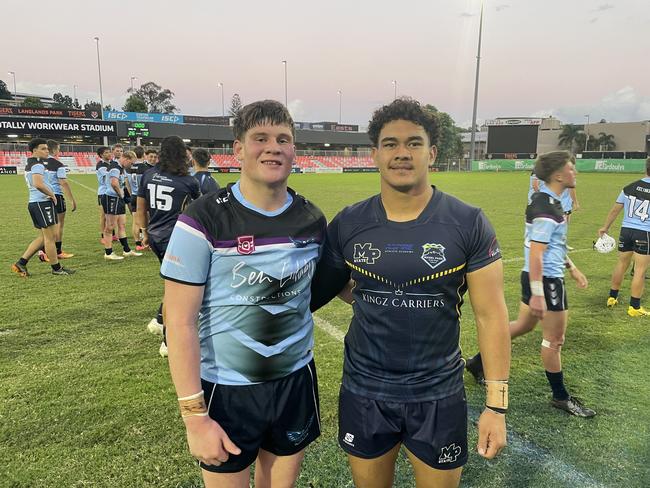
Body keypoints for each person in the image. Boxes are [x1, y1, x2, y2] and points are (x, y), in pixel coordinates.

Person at [310, 98, 510, 488]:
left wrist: (496, 406)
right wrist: (372, 296)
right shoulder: (349, 222)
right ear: (375, 154)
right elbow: (320, 288)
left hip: (438, 393)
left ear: (431, 153)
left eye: (414, 143)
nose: (402, 153)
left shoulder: (468, 221)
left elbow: (491, 315)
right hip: (365, 389)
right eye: (391, 144)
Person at [160, 100, 325, 488]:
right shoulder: (202, 218)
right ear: (238, 149)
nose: (273, 147)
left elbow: (328, 288)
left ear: (294, 150)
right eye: (260, 138)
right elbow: (179, 321)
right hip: (225, 390)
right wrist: (194, 417)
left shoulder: (312, 218)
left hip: (294, 381)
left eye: (283, 139)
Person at [466, 150, 596, 418]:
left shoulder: (546, 200)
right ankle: (561, 397)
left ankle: (477, 362)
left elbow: (550, 246)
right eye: (571, 168)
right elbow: (537, 253)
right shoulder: (547, 207)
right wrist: (538, 293)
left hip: (540, 277)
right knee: (554, 340)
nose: (575, 172)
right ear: (558, 174)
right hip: (545, 282)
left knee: (524, 326)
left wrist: (572, 268)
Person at [136, 136, 201, 355]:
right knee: (179, 290)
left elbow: (141, 208)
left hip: (155, 235)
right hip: (176, 238)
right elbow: (198, 210)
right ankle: (167, 341)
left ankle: (158, 321)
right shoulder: (187, 181)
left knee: (173, 285)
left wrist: (144, 232)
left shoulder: (148, 174)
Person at [12, 138, 75, 277]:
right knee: (50, 238)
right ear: (35, 150)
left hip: (35, 203)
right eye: (43, 149)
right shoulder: (37, 165)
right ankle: (56, 268)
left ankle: (21, 263)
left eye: (47, 148)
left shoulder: (32, 163)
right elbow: (38, 184)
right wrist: (52, 194)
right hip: (42, 203)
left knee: (42, 238)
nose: (47, 151)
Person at [598, 157, 650, 316]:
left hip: (626, 231)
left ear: (645, 169)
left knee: (621, 263)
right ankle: (634, 307)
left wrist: (605, 227)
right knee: (640, 270)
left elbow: (615, 209)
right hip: (645, 233)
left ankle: (612, 297)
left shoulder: (629, 187)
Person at [101, 150, 142, 260]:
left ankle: (127, 250)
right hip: (112, 198)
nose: (131, 165)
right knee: (110, 226)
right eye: (131, 163)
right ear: (126, 159)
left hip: (118, 199)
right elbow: (114, 183)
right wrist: (121, 194)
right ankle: (108, 252)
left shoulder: (120, 168)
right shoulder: (115, 167)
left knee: (122, 224)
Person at [45, 139, 76, 259]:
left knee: (47, 226)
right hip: (56, 195)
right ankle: (57, 251)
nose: (59, 151)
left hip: (43, 196)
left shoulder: (39, 163)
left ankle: (44, 251)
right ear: (54, 149)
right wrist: (72, 200)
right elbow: (63, 182)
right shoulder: (58, 164)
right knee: (59, 224)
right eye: (58, 149)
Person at [126, 146, 146, 250]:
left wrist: (131, 194)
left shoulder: (129, 168)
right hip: (142, 197)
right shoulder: (145, 168)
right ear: (144, 155)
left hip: (133, 195)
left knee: (135, 221)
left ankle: (137, 243)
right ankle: (144, 241)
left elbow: (127, 183)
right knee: (143, 220)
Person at [96, 146, 112, 243]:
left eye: (109, 152)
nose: (109, 154)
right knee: (103, 215)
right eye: (106, 152)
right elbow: (109, 177)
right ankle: (103, 235)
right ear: (101, 155)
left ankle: (111, 234)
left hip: (110, 191)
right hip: (103, 192)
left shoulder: (109, 163)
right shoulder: (101, 165)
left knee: (110, 215)